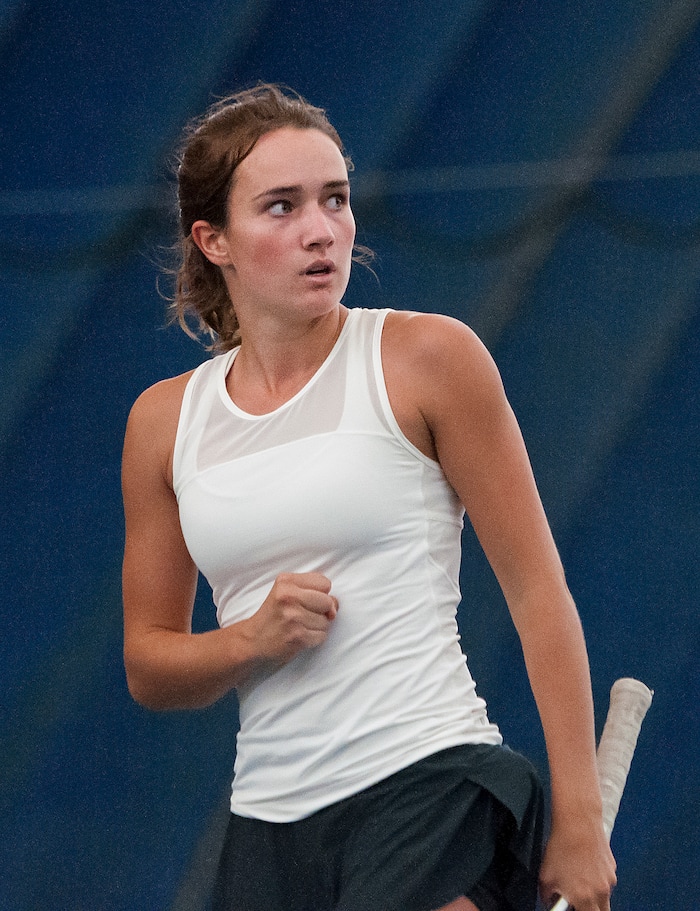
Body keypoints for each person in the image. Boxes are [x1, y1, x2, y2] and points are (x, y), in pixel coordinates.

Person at [121, 84, 617, 911]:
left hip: (428, 783)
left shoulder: (428, 358)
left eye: (335, 199)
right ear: (214, 240)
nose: (321, 229)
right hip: (268, 825)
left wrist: (580, 819)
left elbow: (539, 593)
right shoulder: (162, 422)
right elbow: (149, 664)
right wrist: (249, 640)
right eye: (281, 206)